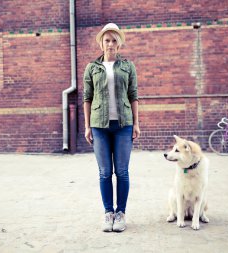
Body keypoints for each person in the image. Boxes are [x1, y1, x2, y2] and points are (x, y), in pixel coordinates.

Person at [83, 23, 140, 232]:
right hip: (99, 126)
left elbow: (133, 95)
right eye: (107, 40)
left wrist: (137, 123)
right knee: (105, 172)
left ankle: (121, 213)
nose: (110, 44)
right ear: (101, 43)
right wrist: (87, 126)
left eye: (114, 40)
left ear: (119, 43)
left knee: (122, 172)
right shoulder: (92, 68)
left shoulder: (128, 66)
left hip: (123, 125)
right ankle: (108, 213)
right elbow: (87, 98)